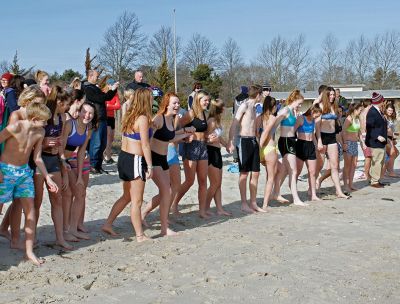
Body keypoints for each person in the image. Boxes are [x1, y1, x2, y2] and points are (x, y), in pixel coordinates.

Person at [0, 102, 58, 265]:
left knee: (30, 210)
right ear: (33, 119)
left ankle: (29, 251)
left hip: (24, 173)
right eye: (44, 121)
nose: (46, 124)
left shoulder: (39, 132)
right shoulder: (16, 127)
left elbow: (37, 157)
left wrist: (47, 177)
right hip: (6, 170)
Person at [102, 88, 153, 241]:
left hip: (124, 158)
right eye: (150, 98)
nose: (153, 100)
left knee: (126, 196)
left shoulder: (130, 115)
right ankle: (139, 235)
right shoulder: (142, 118)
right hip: (135, 159)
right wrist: (150, 166)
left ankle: (108, 224)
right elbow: (145, 145)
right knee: (136, 201)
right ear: (145, 100)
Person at [141, 92, 194, 234]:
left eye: (178, 103)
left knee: (167, 191)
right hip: (154, 158)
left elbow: (169, 137)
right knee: (166, 191)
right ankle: (164, 227)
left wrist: (186, 133)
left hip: (164, 159)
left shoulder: (171, 119)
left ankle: (144, 214)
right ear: (167, 104)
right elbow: (145, 137)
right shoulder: (159, 118)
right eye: (174, 103)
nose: (177, 105)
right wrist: (147, 163)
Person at [33, 86, 73, 249]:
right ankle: (33, 238)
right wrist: (43, 144)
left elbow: (61, 144)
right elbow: (30, 142)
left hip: (53, 161)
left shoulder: (62, 118)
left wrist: (63, 160)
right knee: (37, 201)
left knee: (57, 198)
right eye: (66, 104)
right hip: (38, 161)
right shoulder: (43, 116)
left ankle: (60, 237)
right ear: (58, 101)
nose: (68, 107)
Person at [172, 90, 212, 218]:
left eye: (208, 100)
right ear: (198, 101)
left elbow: (203, 131)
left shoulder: (205, 114)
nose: (207, 102)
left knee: (203, 181)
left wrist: (208, 136)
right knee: (189, 181)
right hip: (191, 147)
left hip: (203, 147)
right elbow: (176, 128)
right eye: (205, 100)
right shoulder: (190, 114)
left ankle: (202, 211)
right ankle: (174, 204)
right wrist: (185, 137)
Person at [61, 101, 97, 240]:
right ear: (79, 111)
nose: (87, 115)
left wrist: (80, 176)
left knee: (80, 193)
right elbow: (60, 149)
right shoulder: (70, 124)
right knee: (69, 194)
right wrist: (64, 173)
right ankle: (66, 231)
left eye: (90, 113)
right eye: (85, 112)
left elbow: (81, 152)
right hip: (61, 160)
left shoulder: (88, 129)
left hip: (71, 161)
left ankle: (73, 228)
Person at [228, 85, 263, 213]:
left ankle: (253, 202)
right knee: (244, 173)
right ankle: (244, 203)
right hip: (243, 141)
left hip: (253, 141)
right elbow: (234, 124)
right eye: (261, 94)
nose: (262, 96)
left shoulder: (255, 108)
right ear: (258, 94)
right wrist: (230, 142)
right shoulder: (245, 106)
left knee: (256, 173)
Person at [273, 89, 307, 206]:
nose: (300, 105)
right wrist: (269, 140)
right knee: (293, 170)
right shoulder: (285, 110)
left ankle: (276, 192)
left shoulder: (293, 111)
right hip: (286, 141)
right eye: (300, 102)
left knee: (284, 169)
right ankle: (296, 198)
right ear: (294, 99)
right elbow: (274, 124)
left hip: (292, 141)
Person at [315, 87, 350, 199]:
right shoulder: (320, 106)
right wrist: (319, 141)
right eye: (330, 95)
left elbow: (336, 123)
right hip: (322, 137)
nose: (332, 96)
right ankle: (314, 187)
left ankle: (338, 191)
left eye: (333, 95)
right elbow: (317, 126)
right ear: (325, 95)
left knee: (335, 166)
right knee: (319, 166)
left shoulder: (334, 107)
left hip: (332, 137)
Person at [84, 69, 118, 174]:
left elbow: (105, 97)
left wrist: (113, 90)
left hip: (103, 118)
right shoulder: (87, 88)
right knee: (96, 143)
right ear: (90, 76)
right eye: (96, 76)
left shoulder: (95, 87)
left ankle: (98, 165)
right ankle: (93, 165)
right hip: (96, 119)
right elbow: (101, 98)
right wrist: (112, 90)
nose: (98, 78)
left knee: (103, 143)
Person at [257, 96, 285, 210]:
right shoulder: (272, 118)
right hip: (269, 149)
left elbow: (257, 133)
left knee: (282, 169)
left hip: (263, 151)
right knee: (270, 178)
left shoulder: (259, 117)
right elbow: (266, 132)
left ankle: (275, 193)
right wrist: (260, 146)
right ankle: (265, 204)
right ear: (273, 107)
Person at [205, 99, 231, 216]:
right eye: (223, 107)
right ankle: (205, 207)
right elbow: (204, 139)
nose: (224, 109)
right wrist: (211, 140)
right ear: (219, 109)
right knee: (214, 183)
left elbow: (218, 137)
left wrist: (226, 145)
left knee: (218, 183)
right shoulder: (211, 121)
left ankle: (219, 208)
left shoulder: (218, 121)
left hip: (217, 152)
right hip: (210, 152)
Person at [294, 105, 322, 201]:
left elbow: (312, 135)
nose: (316, 118)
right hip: (301, 145)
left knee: (312, 172)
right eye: (316, 115)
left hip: (310, 146)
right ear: (312, 111)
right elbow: (292, 131)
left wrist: (316, 144)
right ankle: (294, 192)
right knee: (297, 172)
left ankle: (313, 194)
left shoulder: (314, 121)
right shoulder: (301, 118)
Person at [366, 92, 388, 188]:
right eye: (383, 101)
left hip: (381, 141)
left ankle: (375, 179)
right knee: (377, 161)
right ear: (379, 101)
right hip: (375, 141)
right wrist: (377, 136)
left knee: (380, 161)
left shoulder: (378, 111)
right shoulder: (372, 112)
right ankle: (374, 181)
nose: (384, 102)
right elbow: (369, 127)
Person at [342, 103, 365, 192]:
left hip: (355, 143)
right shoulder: (349, 118)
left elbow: (358, 131)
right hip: (348, 143)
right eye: (360, 110)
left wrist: (363, 142)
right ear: (355, 110)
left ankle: (351, 184)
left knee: (354, 165)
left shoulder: (357, 119)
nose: (361, 112)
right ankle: (345, 185)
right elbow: (343, 131)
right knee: (347, 166)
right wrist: (344, 143)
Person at [104, 78, 121, 164]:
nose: (114, 86)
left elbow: (118, 106)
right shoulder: (104, 93)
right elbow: (104, 106)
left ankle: (108, 155)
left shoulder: (115, 94)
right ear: (108, 85)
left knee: (111, 138)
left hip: (112, 117)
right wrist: (111, 105)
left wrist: (109, 105)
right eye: (112, 84)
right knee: (108, 137)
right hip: (105, 117)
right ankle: (107, 156)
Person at [384, 103, 399, 177]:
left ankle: (386, 168)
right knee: (392, 153)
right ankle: (391, 171)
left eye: (392, 110)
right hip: (386, 138)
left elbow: (392, 130)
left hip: (391, 138)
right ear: (386, 110)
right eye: (389, 110)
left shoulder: (391, 118)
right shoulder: (384, 117)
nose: (390, 112)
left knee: (396, 153)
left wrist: (394, 138)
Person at [359, 99, 372, 180]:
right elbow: (366, 127)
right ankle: (366, 174)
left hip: (363, 136)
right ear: (369, 105)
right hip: (365, 136)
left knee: (368, 157)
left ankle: (367, 173)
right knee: (368, 157)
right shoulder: (366, 114)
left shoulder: (361, 113)